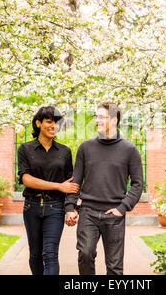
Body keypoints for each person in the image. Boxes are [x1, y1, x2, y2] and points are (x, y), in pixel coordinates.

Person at [64, 101, 144, 275]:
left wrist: (122, 208)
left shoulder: (130, 150)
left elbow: (138, 184)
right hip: (88, 212)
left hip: (114, 215)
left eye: (101, 117)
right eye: (96, 116)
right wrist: (70, 207)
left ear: (115, 120)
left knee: (114, 267)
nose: (96, 121)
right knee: (85, 254)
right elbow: (75, 181)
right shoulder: (85, 148)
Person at [17, 106, 80, 275]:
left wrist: (70, 209)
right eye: (49, 122)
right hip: (32, 207)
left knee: (50, 254)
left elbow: (71, 184)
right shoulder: (25, 149)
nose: (54, 126)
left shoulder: (65, 152)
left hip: (55, 208)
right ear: (38, 123)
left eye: (57, 123)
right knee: (35, 255)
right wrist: (58, 186)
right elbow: (26, 180)